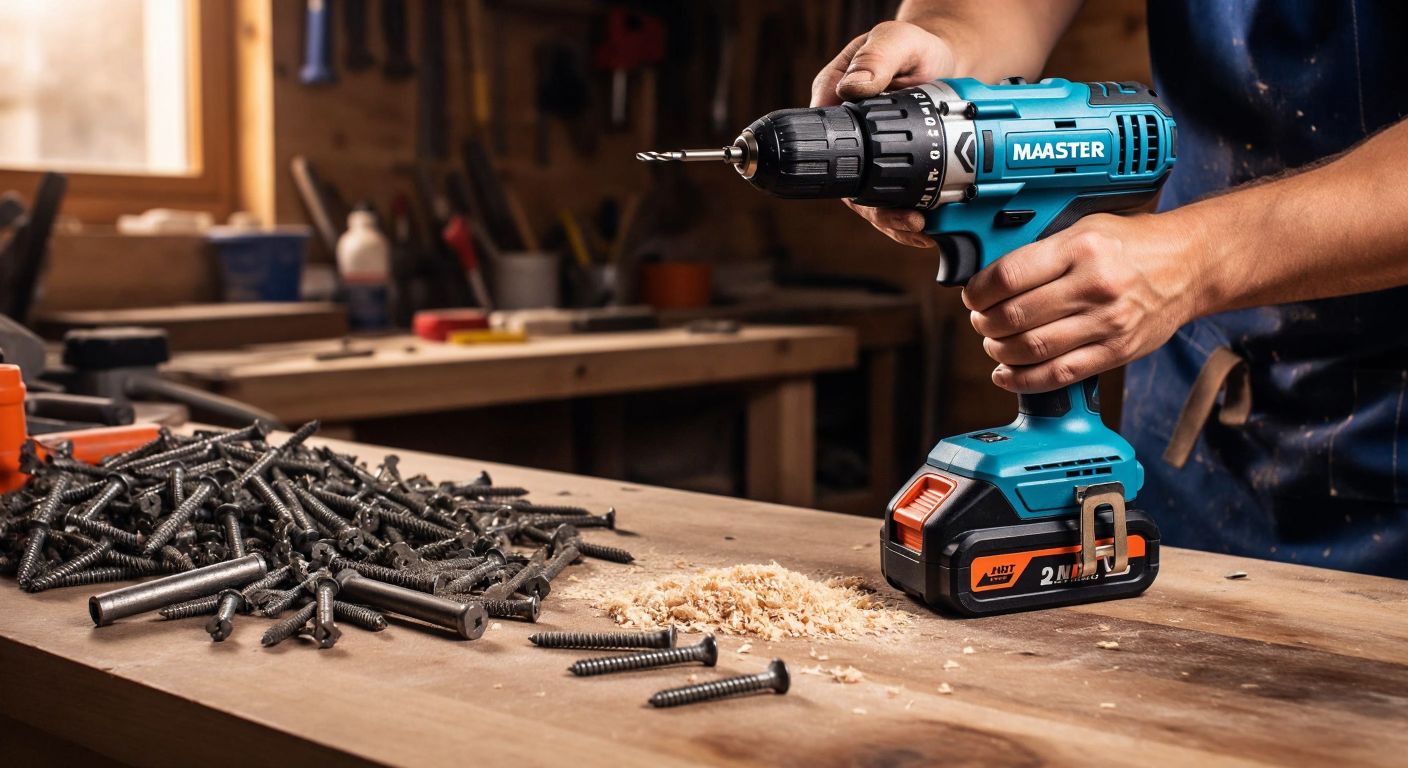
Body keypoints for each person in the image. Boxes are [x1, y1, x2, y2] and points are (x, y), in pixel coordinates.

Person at [812, 1, 1408, 577]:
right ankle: (1069, 444)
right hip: (1200, 403)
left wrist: (1193, 261)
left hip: (1386, 439)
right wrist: (943, 46)